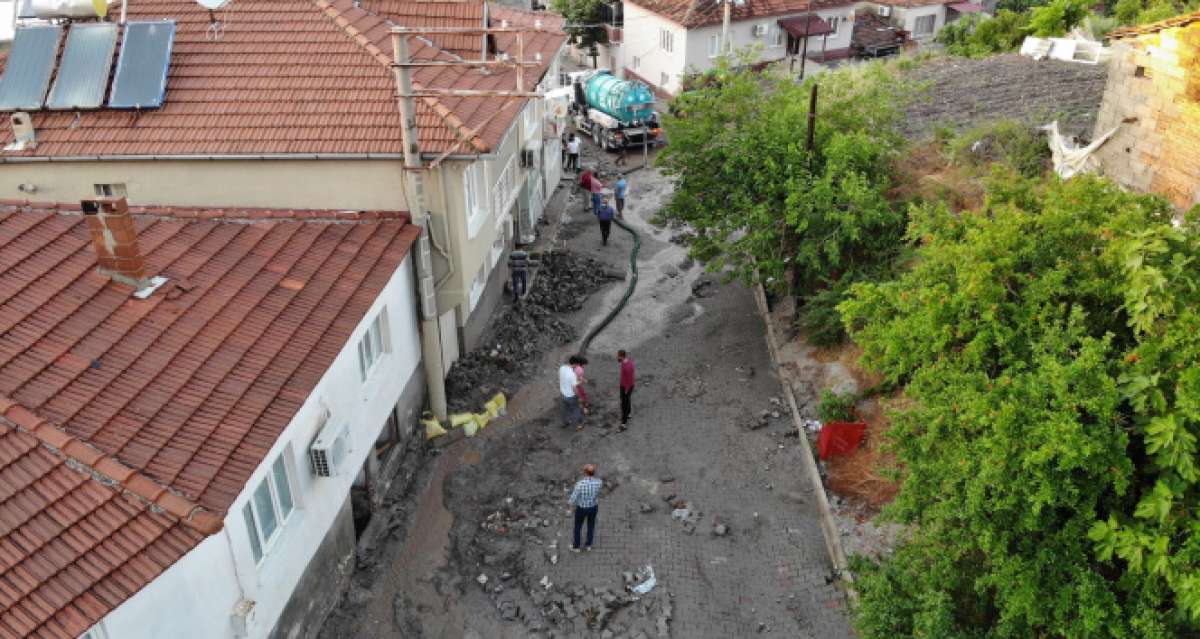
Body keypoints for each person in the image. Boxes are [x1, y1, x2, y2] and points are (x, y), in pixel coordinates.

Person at [568, 464, 602, 552]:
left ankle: (576, 547)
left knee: (578, 527)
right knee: (591, 525)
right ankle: (588, 545)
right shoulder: (599, 482)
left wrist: (569, 505)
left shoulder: (580, 484)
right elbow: (598, 493)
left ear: (585, 472)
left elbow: (573, 498)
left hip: (581, 509)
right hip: (593, 507)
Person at [559, 356, 583, 430]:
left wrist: (577, 382)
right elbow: (574, 388)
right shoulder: (572, 374)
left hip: (563, 394)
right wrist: (579, 396)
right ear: (575, 364)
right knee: (575, 410)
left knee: (564, 409)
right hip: (571, 396)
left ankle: (564, 423)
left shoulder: (561, 368)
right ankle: (576, 426)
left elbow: (564, 380)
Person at [618, 349, 635, 430]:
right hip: (628, 385)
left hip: (625, 387)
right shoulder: (629, 362)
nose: (617, 356)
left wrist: (626, 389)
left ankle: (623, 424)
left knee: (624, 404)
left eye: (618, 355)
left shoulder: (626, 366)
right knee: (627, 400)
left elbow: (628, 377)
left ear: (621, 356)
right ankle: (628, 414)